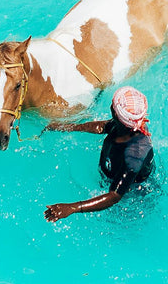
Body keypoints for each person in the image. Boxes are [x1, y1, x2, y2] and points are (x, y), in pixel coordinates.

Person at [43, 86, 154, 221]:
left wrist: (73, 208)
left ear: (114, 112)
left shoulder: (134, 156)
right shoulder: (127, 125)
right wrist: (69, 127)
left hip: (133, 193)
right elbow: (102, 127)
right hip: (113, 171)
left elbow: (114, 195)